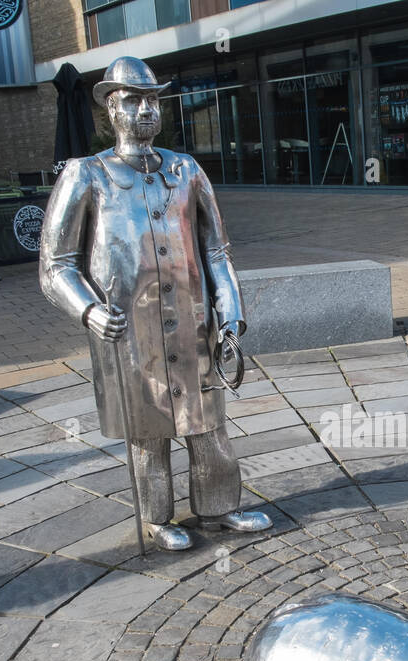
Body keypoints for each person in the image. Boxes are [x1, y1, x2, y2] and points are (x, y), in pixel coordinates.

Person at [40, 57, 272, 552]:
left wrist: (230, 314)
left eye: (153, 101)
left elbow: (216, 250)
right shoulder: (86, 175)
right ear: (110, 108)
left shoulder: (186, 169)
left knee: (208, 427)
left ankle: (219, 506)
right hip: (129, 330)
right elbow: (56, 264)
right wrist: (89, 309)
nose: (145, 110)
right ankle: (155, 517)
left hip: (193, 324)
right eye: (133, 101)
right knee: (148, 435)